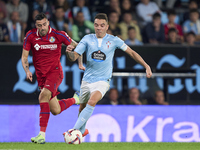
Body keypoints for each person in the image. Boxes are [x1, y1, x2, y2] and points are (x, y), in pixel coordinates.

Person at [66, 13, 152, 136]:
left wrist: (146, 65)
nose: (99, 28)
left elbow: (132, 53)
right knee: (82, 108)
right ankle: (80, 132)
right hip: (87, 79)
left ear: (107, 26)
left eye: (102, 25)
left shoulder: (114, 40)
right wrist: (69, 53)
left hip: (102, 80)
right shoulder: (87, 39)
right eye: (96, 25)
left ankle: (73, 131)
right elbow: (74, 57)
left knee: (92, 101)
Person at [21, 12, 83, 144]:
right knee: (55, 110)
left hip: (55, 73)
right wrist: (27, 70)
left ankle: (41, 135)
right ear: (36, 25)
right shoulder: (30, 36)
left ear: (48, 22)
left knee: (43, 96)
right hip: (41, 77)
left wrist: (80, 62)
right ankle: (76, 98)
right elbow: (24, 57)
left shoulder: (58, 35)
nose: (42, 27)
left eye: (44, 24)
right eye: (39, 25)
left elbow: (79, 46)